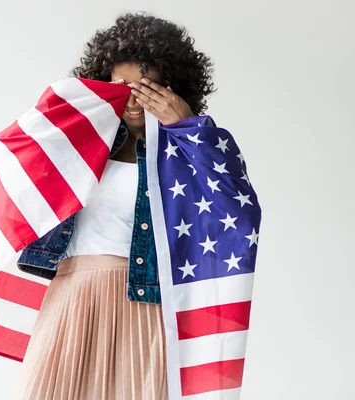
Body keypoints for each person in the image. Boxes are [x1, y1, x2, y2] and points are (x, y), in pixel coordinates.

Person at [14, 12, 215, 400]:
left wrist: (189, 129)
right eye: (120, 86)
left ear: (171, 89)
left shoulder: (183, 154)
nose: (133, 98)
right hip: (73, 303)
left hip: (145, 306)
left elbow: (232, 207)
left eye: (148, 87)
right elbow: (17, 176)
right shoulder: (75, 143)